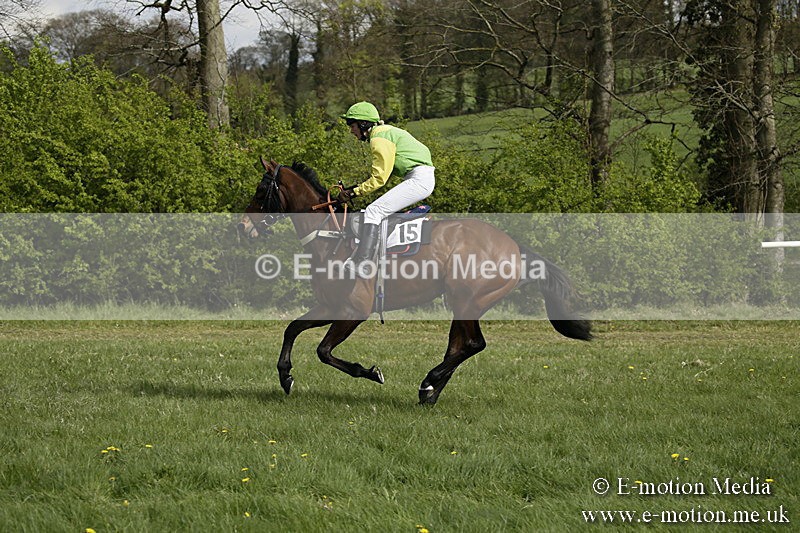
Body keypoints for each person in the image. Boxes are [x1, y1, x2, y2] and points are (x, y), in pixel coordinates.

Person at [338, 101, 435, 278]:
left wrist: (354, 192)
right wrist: (355, 188)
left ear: (363, 124)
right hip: (419, 176)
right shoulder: (385, 132)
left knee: (373, 211)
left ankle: (363, 263)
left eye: (352, 126)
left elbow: (380, 178)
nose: (351, 131)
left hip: (419, 179)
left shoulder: (379, 138)